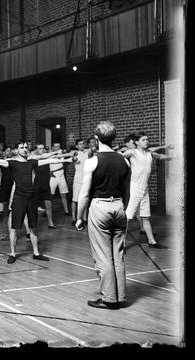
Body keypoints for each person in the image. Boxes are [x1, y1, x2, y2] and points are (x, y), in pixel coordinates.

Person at [0, 141, 75, 264]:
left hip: (31, 198)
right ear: (17, 150)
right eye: (21, 148)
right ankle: (12, 254)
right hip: (19, 198)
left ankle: (36, 253)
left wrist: (67, 161)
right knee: (14, 228)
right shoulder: (12, 162)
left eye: (25, 147)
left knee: (33, 227)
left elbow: (48, 160)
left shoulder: (31, 162)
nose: (24, 149)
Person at [75, 121, 130, 309]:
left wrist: (79, 217)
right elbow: (127, 191)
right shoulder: (124, 160)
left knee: (103, 256)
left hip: (100, 207)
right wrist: (125, 210)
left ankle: (109, 299)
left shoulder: (92, 161)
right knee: (118, 255)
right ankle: (120, 296)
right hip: (119, 206)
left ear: (96, 138)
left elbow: (83, 194)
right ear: (113, 138)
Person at [120, 132, 174, 248]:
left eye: (147, 139)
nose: (146, 141)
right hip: (135, 188)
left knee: (145, 216)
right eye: (144, 139)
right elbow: (118, 156)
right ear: (137, 142)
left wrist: (175, 157)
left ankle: (152, 242)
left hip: (145, 189)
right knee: (128, 217)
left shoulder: (149, 153)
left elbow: (160, 156)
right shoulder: (132, 152)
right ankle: (120, 244)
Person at [71, 138, 89, 227]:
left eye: (83, 143)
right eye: (80, 144)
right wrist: (74, 159)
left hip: (85, 180)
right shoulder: (76, 153)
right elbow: (74, 160)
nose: (82, 145)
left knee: (84, 200)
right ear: (76, 146)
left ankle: (84, 218)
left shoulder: (86, 153)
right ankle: (74, 219)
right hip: (77, 180)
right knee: (75, 200)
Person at [49, 142, 71, 216]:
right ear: (53, 147)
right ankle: (48, 210)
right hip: (53, 176)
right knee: (50, 195)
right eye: (55, 146)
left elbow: (69, 152)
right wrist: (49, 173)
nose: (57, 147)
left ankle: (66, 211)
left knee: (63, 194)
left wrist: (67, 150)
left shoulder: (62, 153)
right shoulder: (50, 154)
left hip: (61, 176)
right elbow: (46, 164)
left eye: (58, 146)